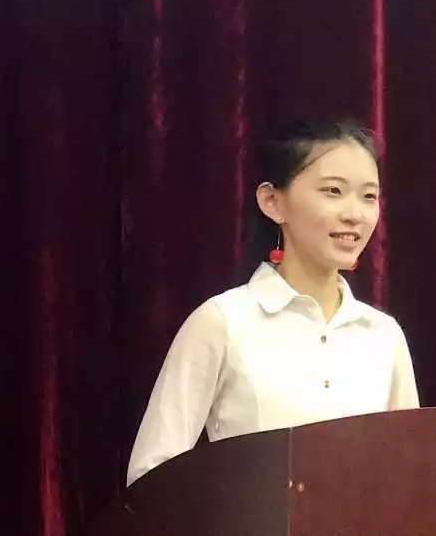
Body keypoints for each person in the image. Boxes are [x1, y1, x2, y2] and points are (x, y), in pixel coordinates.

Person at [126, 119, 420, 486]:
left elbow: (410, 474)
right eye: (333, 191)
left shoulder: (383, 335)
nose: (354, 214)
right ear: (272, 201)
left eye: (369, 196)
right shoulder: (223, 322)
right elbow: (152, 476)